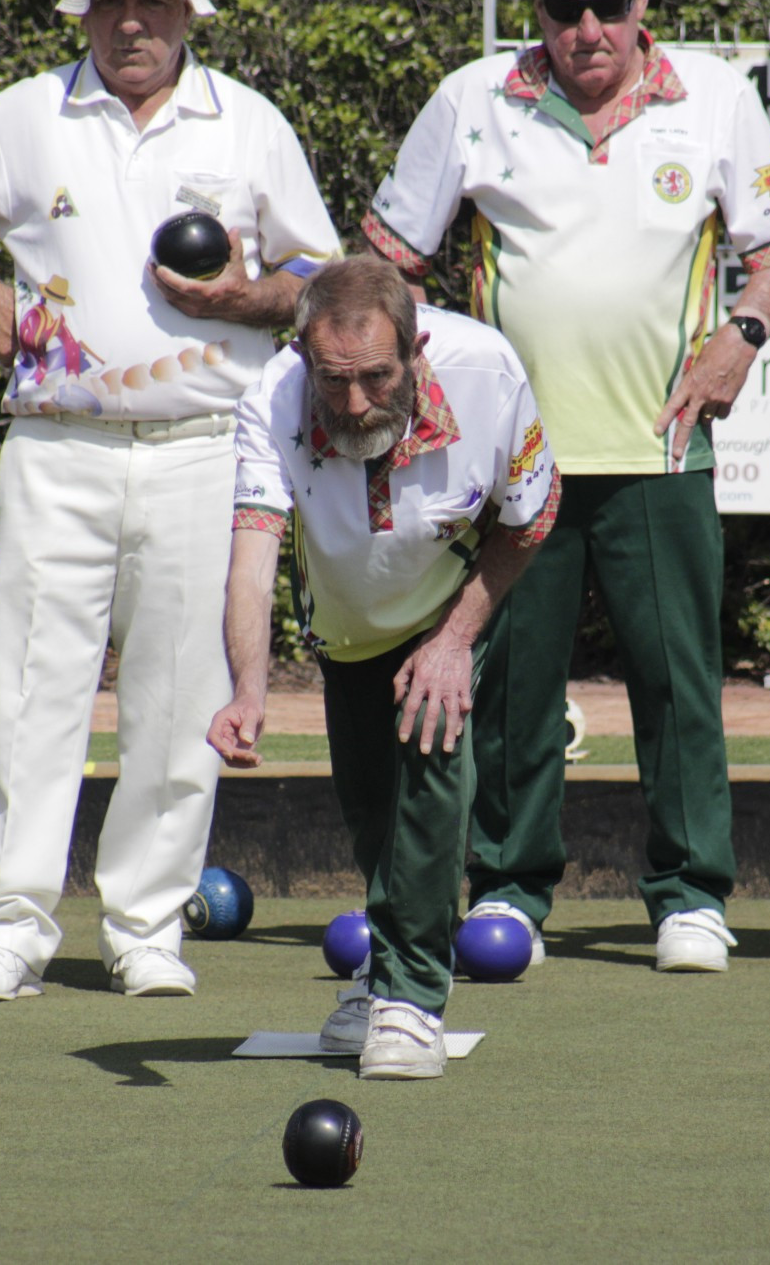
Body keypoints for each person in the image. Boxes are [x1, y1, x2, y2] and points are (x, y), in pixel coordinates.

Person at [0, 0, 337, 1001]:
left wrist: (239, 299)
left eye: (154, 1)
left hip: (197, 448)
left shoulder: (248, 123)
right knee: (31, 695)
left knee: (179, 704)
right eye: (111, 0)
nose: (133, 21)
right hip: (55, 449)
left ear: (188, 11)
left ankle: (144, 930)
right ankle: (8, 930)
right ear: (82, 11)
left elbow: (314, 276)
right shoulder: (27, 114)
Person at [362, 0, 770, 973]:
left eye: (608, 5)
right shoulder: (473, 98)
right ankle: (510, 886)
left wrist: (742, 336)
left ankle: (689, 893)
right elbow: (388, 262)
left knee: (677, 679)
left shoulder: (713, 97)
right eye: (564, 11)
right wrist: (439, 395)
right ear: (536, 9)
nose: (588, 31)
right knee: (513, 685)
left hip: (663, 446)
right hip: (513, 461)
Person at [209, 257, 560, 1079]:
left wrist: (453, 641)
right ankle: (384, 971)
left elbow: (534, 513)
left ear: (416, 346)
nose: (358, 401)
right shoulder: (269, 400)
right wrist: (248, 690)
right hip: (347, 624)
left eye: (377, 375)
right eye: (336, 380)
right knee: (373, 813)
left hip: (449, 600)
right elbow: (252, 557)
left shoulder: (487, 371)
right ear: (300, 353)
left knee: (433, 774)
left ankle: (410, 1001)